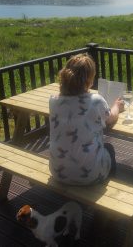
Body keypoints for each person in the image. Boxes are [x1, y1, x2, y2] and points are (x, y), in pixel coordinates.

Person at [48, 53, 124, 185]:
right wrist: (116, 106)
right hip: (89, 175)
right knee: (109, 149)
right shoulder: (95, 101)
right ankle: (107, 186)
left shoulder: (53, 101)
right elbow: (110, 119)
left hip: (58, 172)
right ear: (89, 79)